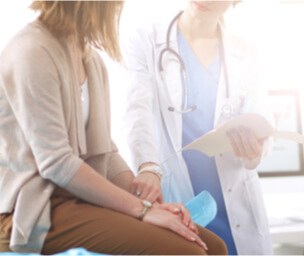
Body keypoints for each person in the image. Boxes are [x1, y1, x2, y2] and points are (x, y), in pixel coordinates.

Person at [0, 1, 227, 255]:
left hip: (77, 200)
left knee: (215, 247)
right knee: (190, 252)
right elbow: (57, 162)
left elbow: (105, 151)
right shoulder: (32, 51)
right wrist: (142, 210)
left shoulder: (90, 59)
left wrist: (146, 200)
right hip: (34, 209)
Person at [122, 1, 274, 254]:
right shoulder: (145, 42)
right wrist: (147, 166)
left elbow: (265, 125)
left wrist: (255, 151)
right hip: (179, 199)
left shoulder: (247, 53)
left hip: (236, 207)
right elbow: (135, 111)